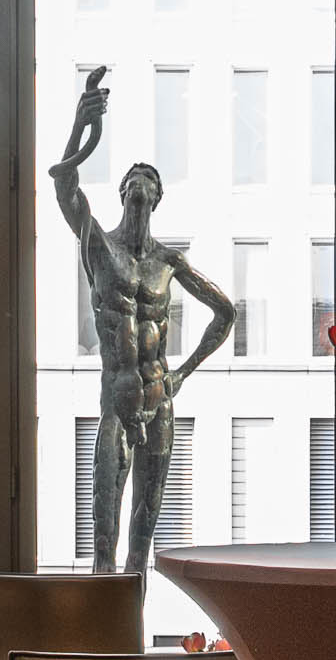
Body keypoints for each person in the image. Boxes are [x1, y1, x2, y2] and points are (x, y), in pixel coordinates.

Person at [51, 66, 238, 573]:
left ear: (157, 197)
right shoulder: (98, 244)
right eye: (133, 177)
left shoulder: (168, 262)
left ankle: (133, 617)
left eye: (149, 179)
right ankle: (104, 620)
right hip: (117, 402)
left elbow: (226, 312)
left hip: (160, 401)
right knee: (103, 540)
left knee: (142, 538)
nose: (140, 181)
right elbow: (64, 186)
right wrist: (82, 127)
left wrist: (183, 372)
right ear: (122, 193)